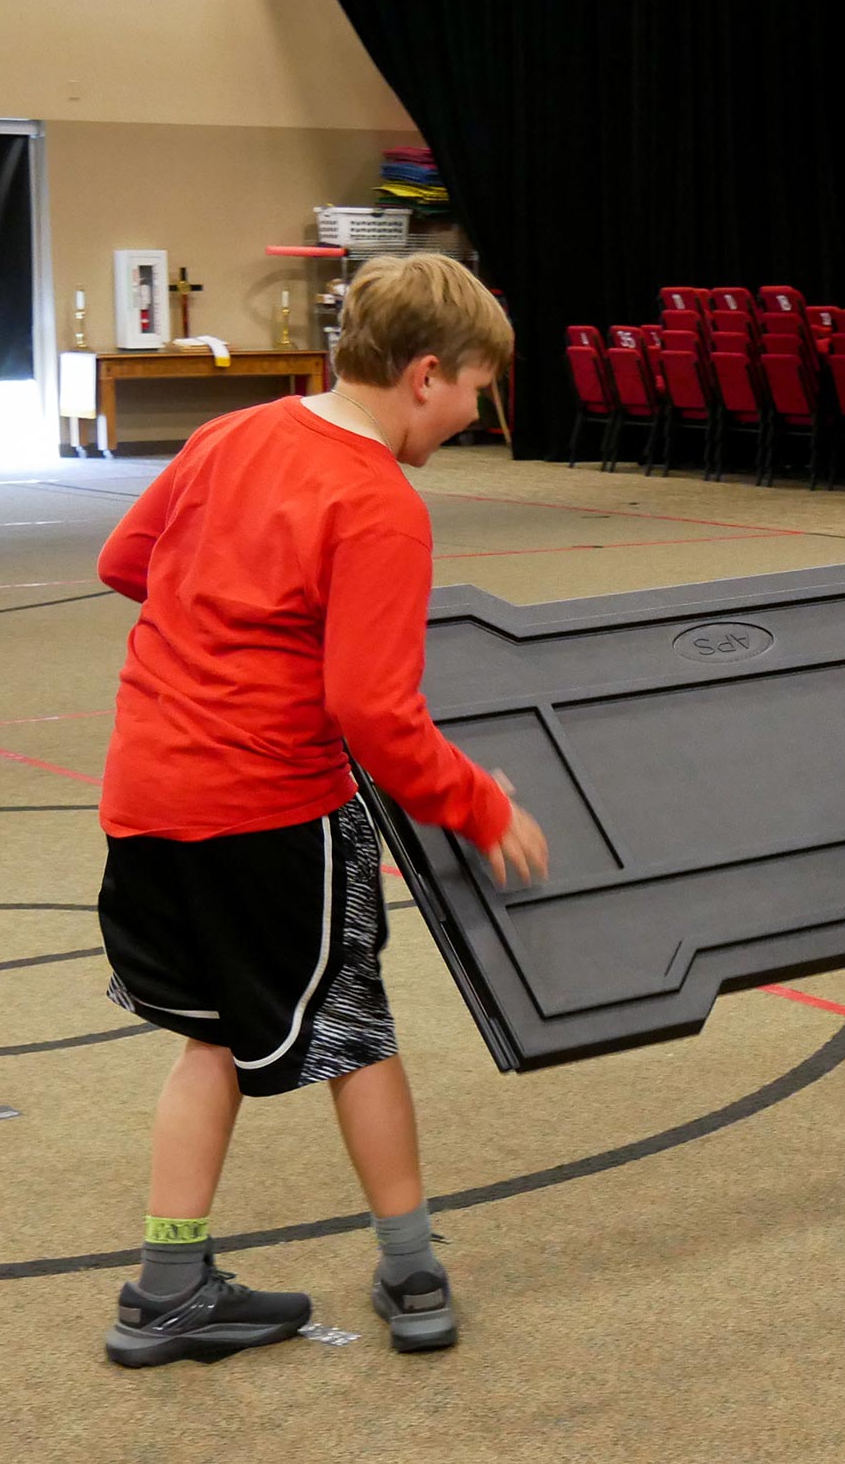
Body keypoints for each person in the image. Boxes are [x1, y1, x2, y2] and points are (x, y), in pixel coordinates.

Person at [93, 252, 548, 1367]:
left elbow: (125, 560)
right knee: (354, 1027)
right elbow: (374, 714)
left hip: (146, 791)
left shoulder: (232, 435)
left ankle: (168, 1283)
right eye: (477, 389)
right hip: (269, 808)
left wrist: (227, 627)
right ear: (427, 375)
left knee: (204, 1037)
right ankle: (410, 1265)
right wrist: (479, 804)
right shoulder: (378, 501)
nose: (478, 413)